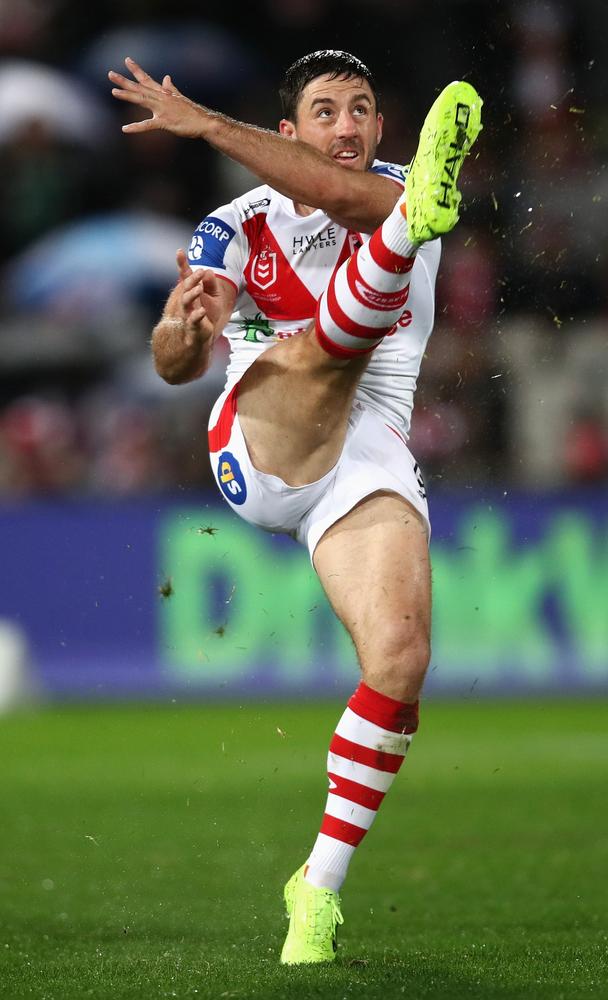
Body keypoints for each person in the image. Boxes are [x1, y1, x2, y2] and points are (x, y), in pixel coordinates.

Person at [109, 51, 482, 965]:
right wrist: (175, 335)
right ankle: (372, 279)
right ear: (290, 131)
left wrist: (207, 126)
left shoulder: (397, 186)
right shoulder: (235, 223)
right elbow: (177, 363)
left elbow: (353, 201)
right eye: (326, 112)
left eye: (361, 108)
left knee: (399, 661)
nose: (348, 127)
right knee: (317, 353)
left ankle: (315, 888)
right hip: (261, 439)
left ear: (383, 132)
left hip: (367, 458)